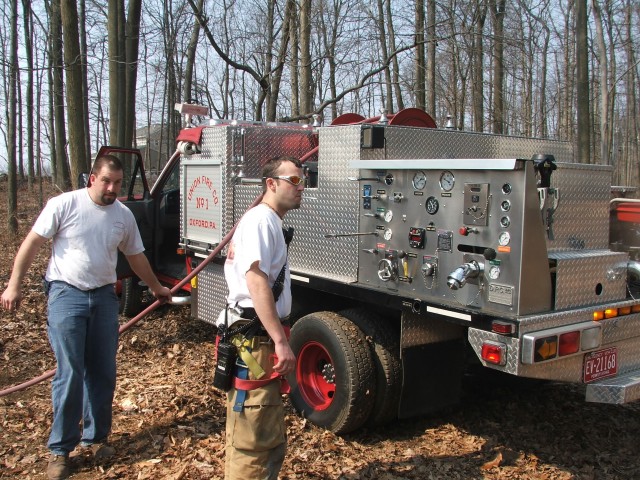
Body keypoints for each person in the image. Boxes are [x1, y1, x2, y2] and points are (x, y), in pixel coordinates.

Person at [0, 155, 172, 480]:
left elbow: (135, 256)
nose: (112, 189)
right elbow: (32, 243)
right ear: (92, 178)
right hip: (67, 294)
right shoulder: (64, 205)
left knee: (102, 371)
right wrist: (14, 285)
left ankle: (96, 439)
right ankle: (60, 451)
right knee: (70, 372)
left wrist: (156, 287)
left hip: (105, 297)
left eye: (118, 183)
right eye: (107, 181)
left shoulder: (123, 216)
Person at [221, 156, 302, 479]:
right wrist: (281, 342)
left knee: (265, 437)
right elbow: (256, 283)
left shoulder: (268, 223)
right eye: (294, 181)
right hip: (253, 343)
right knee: (252, 439)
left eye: (303, 180)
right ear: (271, 184)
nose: (301, 187)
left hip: (258, 340)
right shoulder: (260, 221)